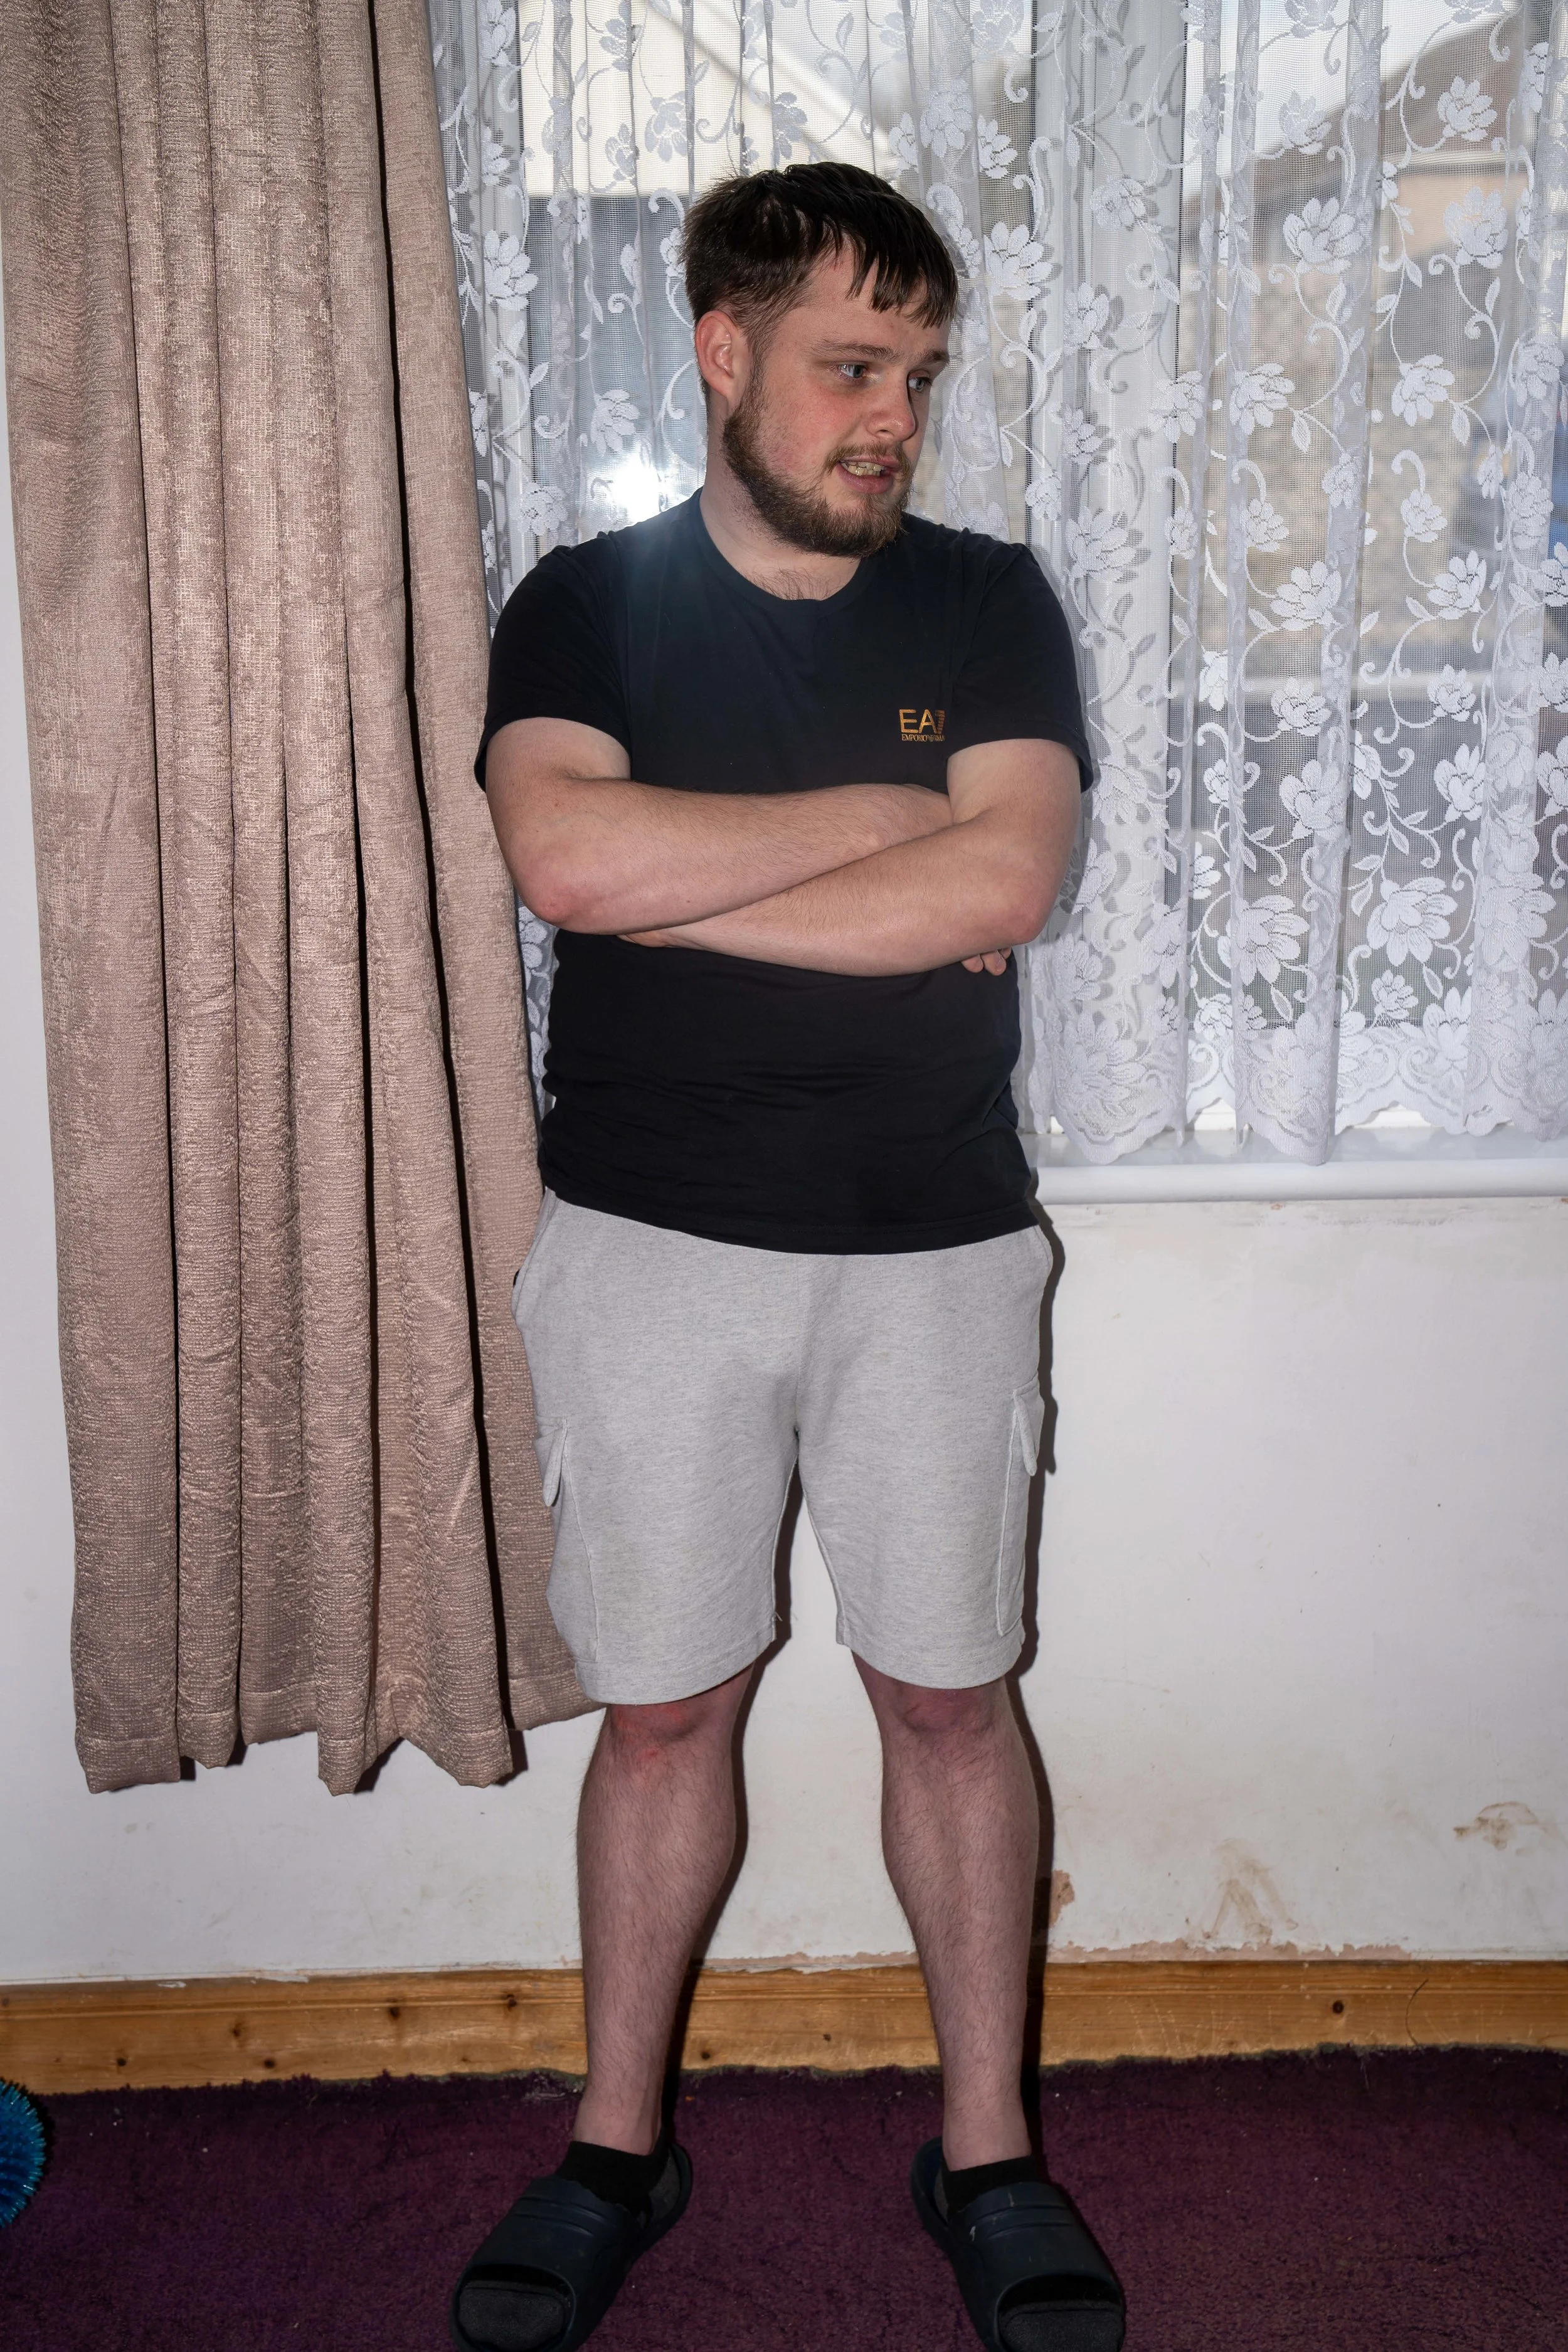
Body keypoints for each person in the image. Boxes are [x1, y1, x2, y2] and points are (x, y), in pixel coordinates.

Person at [448, 161, 1124, 2352]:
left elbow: (1001, 891)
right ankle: (613, 2150)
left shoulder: (990, 603)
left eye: (916, 376)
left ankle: (990, 2150)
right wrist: (881, 828)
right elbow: (560, 849)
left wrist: (682, 879)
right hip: (648, 1243)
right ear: (724, 355)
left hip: (933, 1245)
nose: (890, 418)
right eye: (850, 367)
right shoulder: (583, 602)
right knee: (662, 1712)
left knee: (947, 1693)